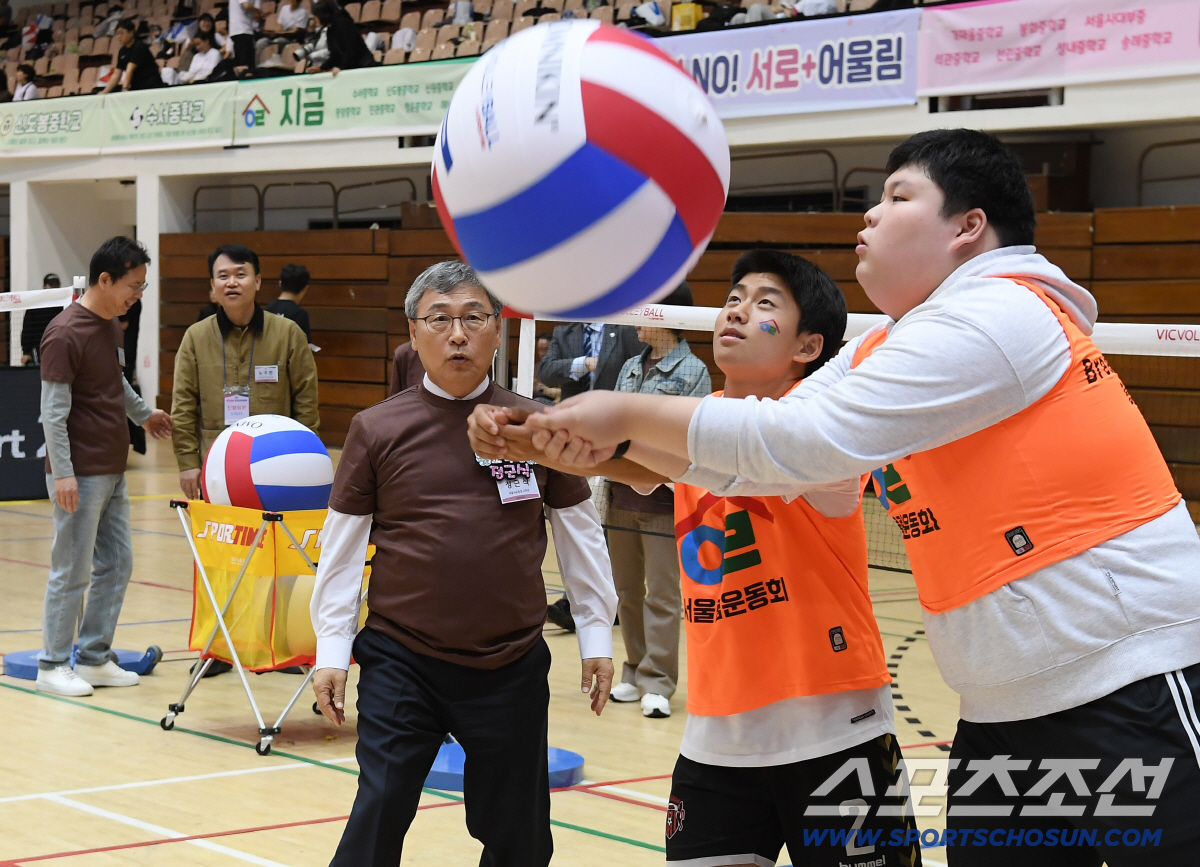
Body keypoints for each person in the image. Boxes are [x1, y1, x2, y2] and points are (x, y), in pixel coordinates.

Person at [518, 128, 1200, 861]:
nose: (869, 216)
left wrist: (622, 415)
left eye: (898, 196)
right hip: (1003, 708)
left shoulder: (1002, 311)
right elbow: (772, 460)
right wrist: (607, 440)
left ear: (970, 226)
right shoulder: (892, 345)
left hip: (1130, 678)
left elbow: (807, 438)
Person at [467, 250, 922, 866]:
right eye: (734, 297)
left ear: (809, 346)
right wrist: (532, 439)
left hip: (837, 733)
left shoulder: (822, 436)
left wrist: (578, 432)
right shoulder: (698, 430)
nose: (735, 310)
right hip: (717, 744)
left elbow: (644, 443)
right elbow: (628, 456)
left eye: (765, 303)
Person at [309, 261, 617, 867]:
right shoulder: (375, 429)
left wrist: (596, 635)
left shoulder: (536, 425)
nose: (457, 334)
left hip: (510, 664)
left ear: (497, 331)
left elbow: (579, 531)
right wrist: (330, 651)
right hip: (403, 658)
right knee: (379, 811)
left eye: (473, 318)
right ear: (414, 332)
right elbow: (341, 548)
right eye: (440, 319)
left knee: (519, 835)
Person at [36, 237, 172, 697]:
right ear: (105, 279)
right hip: (79, 472)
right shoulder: (63, 332)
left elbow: (113, 384)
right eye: (133, 285)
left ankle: (93, 657)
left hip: (113, 468)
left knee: (117, 564)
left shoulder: (111, 325)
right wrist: (64, 473)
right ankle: (52, 664)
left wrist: (143, 414)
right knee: (71, 570)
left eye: (143, 287)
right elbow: (52, 413)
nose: (137, 294)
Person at [605, 282, 710, 719]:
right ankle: (633, 671)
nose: (636, 319)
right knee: (627, 592)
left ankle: (659, 682)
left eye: (644, 310)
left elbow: (693, 438)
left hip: (667, 503)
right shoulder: (630, 366)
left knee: (662, 596)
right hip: (621, 498)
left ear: (665, 316)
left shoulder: (694, 371)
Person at [171, 244, 319, 501]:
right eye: (223, 276)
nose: (231, 283)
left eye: (241, 275)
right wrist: (187, 463)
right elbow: (183, 405)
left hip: (277, 466)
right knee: (221, 539)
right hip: (215, 466)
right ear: (213, 284)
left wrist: (304, 459)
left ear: (258, 281)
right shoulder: (196, 337)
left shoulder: (288, 333)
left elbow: (306, 403)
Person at [538, 318, 644, 401]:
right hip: (573, 415)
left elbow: (642, 369)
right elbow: (545, 372)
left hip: (613, 415)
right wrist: (583, 364)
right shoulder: (562, 333)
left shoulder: (625, 331)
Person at [309, 0, 375, 71]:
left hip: (363, 66)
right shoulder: (330, 30)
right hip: (351, 67)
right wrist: (321, 68)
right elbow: (335, 55)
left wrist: (341, 67)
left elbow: (351, 50)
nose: (315, 20)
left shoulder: (343, 23)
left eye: (316, 17)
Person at [102, 18, 163, 92]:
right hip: (136, 86)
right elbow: (117, 73)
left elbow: (130, 68)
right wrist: (104, 92)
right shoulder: (122, 51)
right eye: (117, 33)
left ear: (131, 33)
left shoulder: (139, 46)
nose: (119, 36)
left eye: (121, 33)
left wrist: (125, 88)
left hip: (151, 85)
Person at [20, 274, 64, 365]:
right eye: (51, 285)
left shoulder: (64, 305)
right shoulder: (35, 305)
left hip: (59, 347)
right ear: (44, 286)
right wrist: (26, 352)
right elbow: (28, 329)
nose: (54, 287)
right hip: (39, 348)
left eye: (56, 285)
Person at [264, 263, 311, 343]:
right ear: (305, 289)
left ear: (280, 284)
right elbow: (304, 347)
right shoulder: (300, 314)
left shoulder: (266, 310)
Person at [227, 0, 261, 69]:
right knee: (245, 65)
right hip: (241, 30)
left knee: (243, 63)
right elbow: (246, 5)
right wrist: (259, 11)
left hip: (242, 30)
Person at [532, 333, 559, 406]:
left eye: (545, 349)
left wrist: (541, 388)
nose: (541, 353)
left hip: (551, 404)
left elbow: (561, 393)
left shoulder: (558, 367)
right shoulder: (534, 368)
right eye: (539, 349)